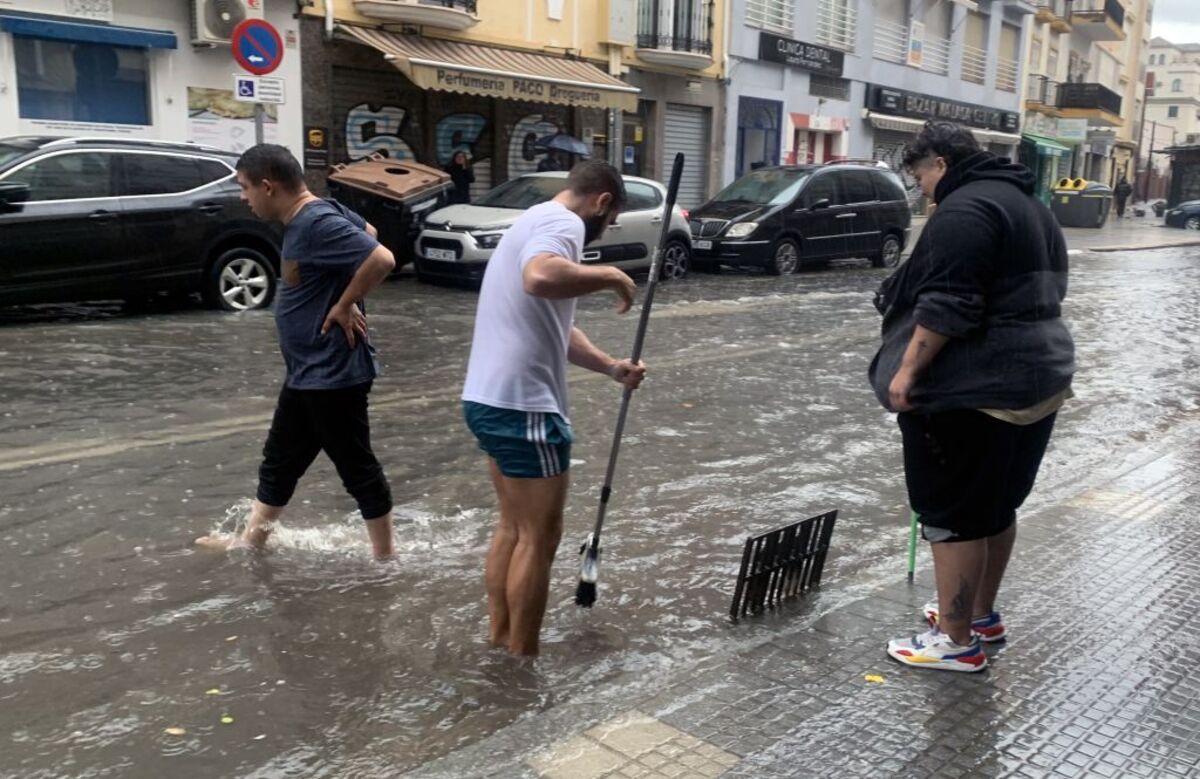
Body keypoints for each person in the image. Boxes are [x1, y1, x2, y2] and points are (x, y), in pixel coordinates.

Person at [869, 121, 1075, 672]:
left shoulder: (963, 211)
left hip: (972, 388)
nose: (923, 188)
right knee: (995, 504)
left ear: (938, 163)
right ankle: (981, 615)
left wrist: (906, 374)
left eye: (920, 176)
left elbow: (948, 305)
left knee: (952, 511)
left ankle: (957, 642)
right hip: (1038, 378)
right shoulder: (1031, 206)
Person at [462, 161, 646, 656]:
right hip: (525, 407)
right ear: (602, 203)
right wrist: (610, 275)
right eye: (607, 225)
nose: (599, 236)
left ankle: (500, 641)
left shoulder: (533, 219)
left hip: (487, 399)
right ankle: (523, 662)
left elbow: (554, 326)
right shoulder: (563, 224)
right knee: (539, 538)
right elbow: (540, 278)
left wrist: (610, 367)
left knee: (513, 528)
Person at [196, 144, 398, 559]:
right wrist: (342, 288)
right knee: (280, 460)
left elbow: (381, 257)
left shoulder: (315, 222)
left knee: (356, 466)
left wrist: (345, 303)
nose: (242, 197)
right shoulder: (318, 214)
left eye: (245, 187)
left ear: (268, 187)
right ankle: (251, 543)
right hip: (309, 371)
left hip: (333, 373)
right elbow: (370, 233)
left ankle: (385, 558)